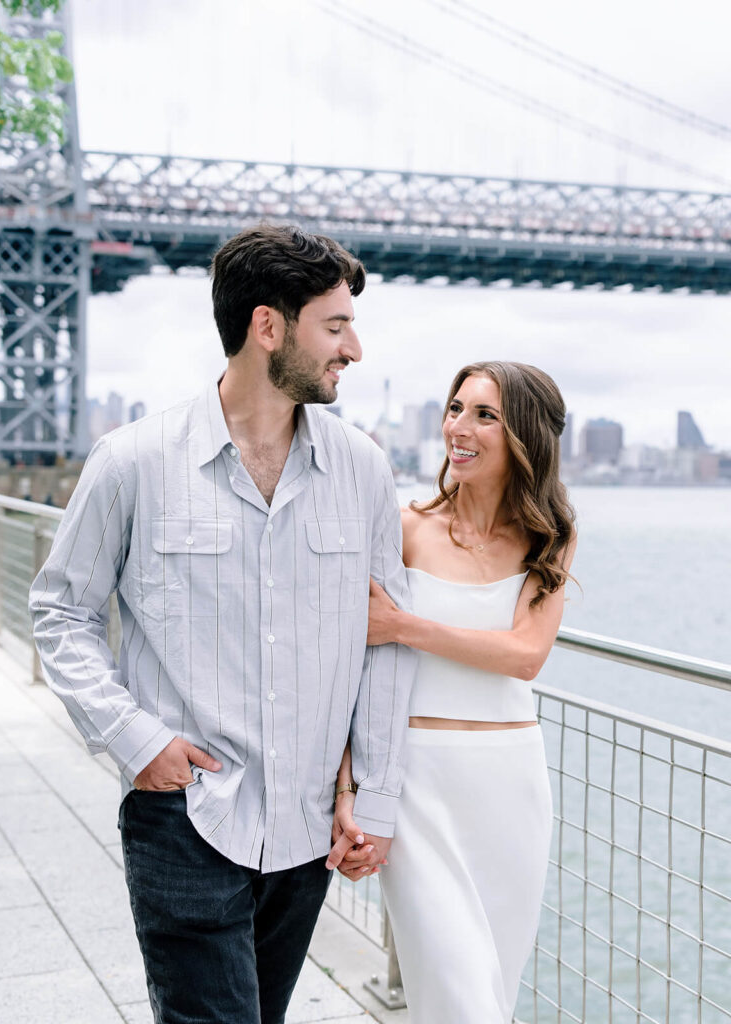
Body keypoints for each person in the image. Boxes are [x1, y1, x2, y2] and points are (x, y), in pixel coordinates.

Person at [29, 224, 415, 1024]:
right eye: (336, 326)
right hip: (186, 815)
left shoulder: (365, 470)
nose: (356, 349)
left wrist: (371, 795)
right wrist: (136, 739)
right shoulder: (132, 461)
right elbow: (60, 611)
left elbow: (384, 641)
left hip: (308, 830)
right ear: (267, 326)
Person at [334, 361, 576, 1023]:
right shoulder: (406, 524)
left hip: (511, 784)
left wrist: (403, 626)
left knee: (492, 991)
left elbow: (526, 655)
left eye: (484, 415)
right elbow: (359, 674)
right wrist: (348, 790)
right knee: (459, 999)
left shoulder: (550, 536)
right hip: (418, 786)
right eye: (455, 408)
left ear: (524, 434)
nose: (458, 429)